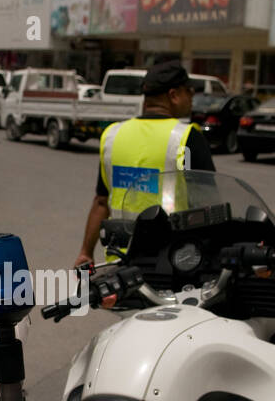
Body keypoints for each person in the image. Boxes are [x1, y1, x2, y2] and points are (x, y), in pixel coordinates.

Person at [74, 59, 214, 268]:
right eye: (189, 92)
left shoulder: (113, 135)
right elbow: (209, 205)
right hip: (173, 263)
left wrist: (86, 252)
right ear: (174, 95)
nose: (192, 98)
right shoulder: (187, 137)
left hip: (120, 263)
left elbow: (101, 202)